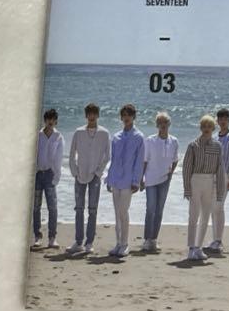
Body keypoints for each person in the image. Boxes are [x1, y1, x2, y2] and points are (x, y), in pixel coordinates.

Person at [67, 103, 110, 255]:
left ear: (97, 115)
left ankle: (89, 243)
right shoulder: (78, 132)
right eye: (89, 114)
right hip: (80, 175)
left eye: (94, 113)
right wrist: (75, 172)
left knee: (93, 210)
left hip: (95, 176)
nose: (92, 116)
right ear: (86, 115)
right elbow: (71, 154)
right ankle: (78, 242)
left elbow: (107, 156)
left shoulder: (104, 133)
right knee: (79, 209)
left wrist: (98, 172)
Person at [182, 115, 227, 262]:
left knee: (206, 215)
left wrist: (220, 190)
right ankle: (191, 248)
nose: (207, 129)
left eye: (209, 126)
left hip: (209, 181)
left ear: (213, 128)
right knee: (193, 215)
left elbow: (220, 169)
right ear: (200, 128)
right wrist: (187, 188)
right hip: (195, 180)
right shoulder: (193, 145)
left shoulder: (217, 146)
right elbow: (187, 168)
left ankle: (198, 247)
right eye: (204, 126)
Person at [106, 104, 145, 258]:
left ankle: (125, 244)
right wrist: (109, 178)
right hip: (115, 179)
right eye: (124, 115)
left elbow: (139, 161)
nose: (126, 117)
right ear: (121, 117)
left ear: (134, 117)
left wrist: (136, 181)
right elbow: (113, 160)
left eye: (129, 115)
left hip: (128, 180)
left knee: (123, 211)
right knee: (117, 213)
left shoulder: (139, 137)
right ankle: (118, 243)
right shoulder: (116, 137)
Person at [142, 113, 179, 252]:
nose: (163, 125)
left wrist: (171, 172)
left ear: (169, 124)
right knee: (150, 208)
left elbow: (175, 159)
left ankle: (154, 239)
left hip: (165, 179)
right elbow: (145, 160)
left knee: (159, 210)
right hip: (150, 179)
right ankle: (147, 239)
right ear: (157, 125)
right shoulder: (150, 140)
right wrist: (141, 178)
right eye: (160, 123)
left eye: (165, 123)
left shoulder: (174, 141)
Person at [206, 108, 229, 254]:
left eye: (225, 119)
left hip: (225, 175)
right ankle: (215, 239)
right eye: (220, 119)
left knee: (219, 207)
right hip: (212, 176)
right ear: (217, 120)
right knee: (213, 208)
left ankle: (219, 241)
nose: (223, 121)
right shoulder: (214, 136)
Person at [31, 109, 63, 251]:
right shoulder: (38, 135)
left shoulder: (58, 136)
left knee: (52, 207)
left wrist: (57, 176)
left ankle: (52, 238)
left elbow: (59, 158)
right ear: (45, 120)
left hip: (50, 174)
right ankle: (37, 237)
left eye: (53, 119)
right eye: (48, 119)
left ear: (56, 121)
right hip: (38, 174)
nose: (50, 122)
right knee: (36, 207)